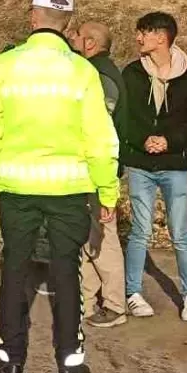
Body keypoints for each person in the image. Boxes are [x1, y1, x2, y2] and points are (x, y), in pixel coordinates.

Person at [0, 0, 119, 373]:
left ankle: (11, 359)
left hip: (17, 190)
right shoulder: (83, 72)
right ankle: (70, 363)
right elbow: (100, 138)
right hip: (69, 191)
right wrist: (107, 191)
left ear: (33, 18)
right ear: (67, 23)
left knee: (15, 270)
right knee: (66, 274)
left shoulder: (2, 67)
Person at [118, 12, 187, 322]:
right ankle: (132, 293)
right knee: (140, 231)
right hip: (140, 164)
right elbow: (122, 117)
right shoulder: (130, 74)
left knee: (180, 233)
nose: (138, 38)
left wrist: (170, 141)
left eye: (143, 32)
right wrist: (142, 140)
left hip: (175, 164)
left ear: (161, 37)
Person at [70, 22, 129, 328]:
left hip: (98, 170)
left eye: (77, 35)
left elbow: (98, 127)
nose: (71, 38)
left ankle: (117, 306)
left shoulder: (101, 76)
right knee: (89, 237)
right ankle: (88, 302)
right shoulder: (98, 71)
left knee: (104, 240)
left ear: (90, 43)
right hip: (92, 169)